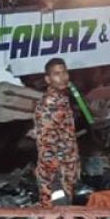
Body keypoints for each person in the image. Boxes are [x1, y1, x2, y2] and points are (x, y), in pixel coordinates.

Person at [32, 58, 81, 210]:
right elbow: (46, 145)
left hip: (66, 171)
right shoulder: (49, 104)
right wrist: (55, 183)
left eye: (64, 72)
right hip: (55, 175)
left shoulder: (62, 100)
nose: (63, 77)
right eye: (57, 74)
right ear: (48, 79)